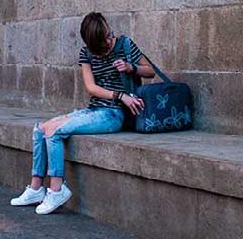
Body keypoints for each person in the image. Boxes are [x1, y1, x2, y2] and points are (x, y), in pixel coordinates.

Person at [10, 12, 155, 214]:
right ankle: (35, 188)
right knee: (41, 129)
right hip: (95, 109)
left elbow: (150, 71)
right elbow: (91, 88)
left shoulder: (125, 44)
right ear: (91, 42)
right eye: (103, 39)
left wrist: (131, 67)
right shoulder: (86, 53)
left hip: (113, 115)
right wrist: (120, 95)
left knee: (54, 132)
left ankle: (56, 190)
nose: (108, 40)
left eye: (108, 34)